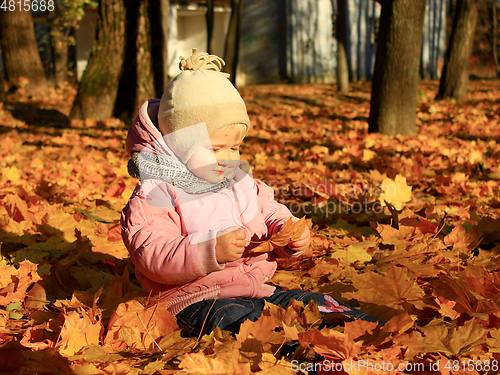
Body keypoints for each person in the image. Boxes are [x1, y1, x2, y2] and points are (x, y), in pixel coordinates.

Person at [121, 49, 383, 338]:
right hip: (194, 300)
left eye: (234, 147)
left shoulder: (240, 182)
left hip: (256, 290)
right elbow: (152, 252)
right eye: (214, 148)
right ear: (179, 145)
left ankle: (374, 333)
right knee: (243, 325)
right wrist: (209, 251)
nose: (226, 158)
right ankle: (308, 357)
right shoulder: (157, 191)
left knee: (311, 304)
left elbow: (269, 212)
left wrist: (287, 233)